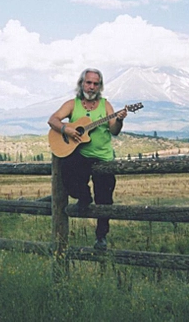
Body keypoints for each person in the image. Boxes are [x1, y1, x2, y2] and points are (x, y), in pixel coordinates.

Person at [48, 68, 127, 250]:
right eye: (88, 83)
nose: (91, 87)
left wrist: (120, 120)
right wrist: (66, 129)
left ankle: (101, 237)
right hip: (81, 156)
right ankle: (84, 197)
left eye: (95, 84)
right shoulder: (72, 104)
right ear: (82, 83)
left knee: (105, 199)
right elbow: (53, 120)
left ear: (100, 86)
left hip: (103, 158)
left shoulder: (106, 106)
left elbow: (114, 130)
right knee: (68, 173)